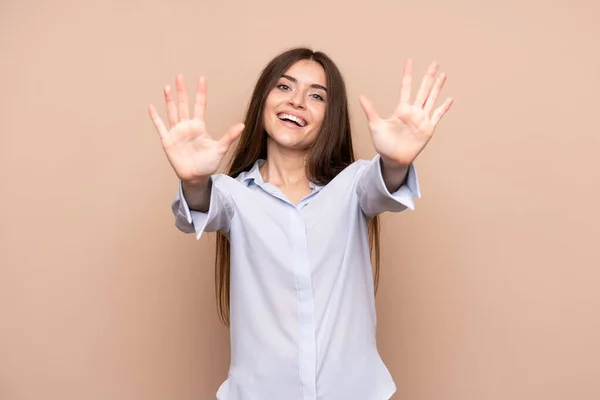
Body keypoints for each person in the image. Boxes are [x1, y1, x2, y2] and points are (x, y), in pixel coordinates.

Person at [148, 47, 452, 400]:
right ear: (264, 99)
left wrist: (397, 162)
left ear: (330, 116)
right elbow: (197, 210)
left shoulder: (352, 185)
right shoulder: (234, 196)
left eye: (316, 95)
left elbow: (384, 184)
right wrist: (194, 180)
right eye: (285, 87)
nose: (297, 102)